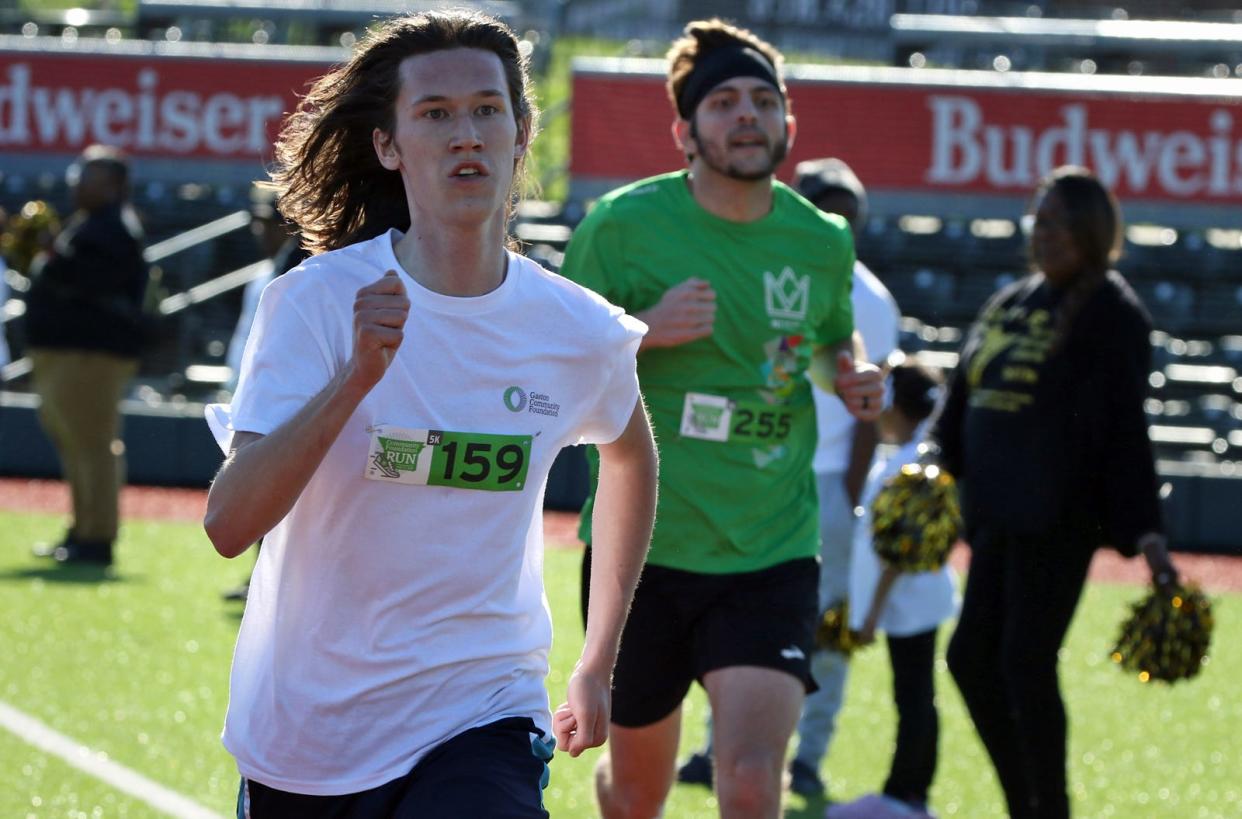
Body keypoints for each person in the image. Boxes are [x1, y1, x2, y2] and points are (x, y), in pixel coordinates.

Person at [201, 10, 658, 815]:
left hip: (483, 710)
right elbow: (229, 523)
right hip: (310, 732)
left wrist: (596, 658)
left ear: (521, 132)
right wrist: (353, 380)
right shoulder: (313, 303)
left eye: (488, 109)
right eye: (435, 114)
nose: (467, 135)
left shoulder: (579, 329)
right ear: (388, 145)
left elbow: (630, 457)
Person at [561, 19, 884, 819]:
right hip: (645, 554)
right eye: (724, 102)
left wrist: (853, 377)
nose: (747, 115)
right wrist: (644, 329)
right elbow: (556, 372)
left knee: (746, 778)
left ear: (789, 126)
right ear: (684, 131)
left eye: (763, 101)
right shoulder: (621, 226)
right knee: (638, 793)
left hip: (770, 547)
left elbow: (828, 344)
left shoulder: (823, 240)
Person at [930, 166, 1178, 819]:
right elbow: (961, 398)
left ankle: (1049, 806)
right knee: (969, 658)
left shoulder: (1111, 311)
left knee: (1022, 661)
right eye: (1038, 220)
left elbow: (1125, 427)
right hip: (996, 518)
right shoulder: (1011, 301)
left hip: (1057, 521)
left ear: (1094, 232)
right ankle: (1028, 802)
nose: (1044, 234)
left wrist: (1147, 533)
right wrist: (931, 462)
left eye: (1060, 222)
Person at [676, 157, 901, 800]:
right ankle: (718, 747)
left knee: (826, 624)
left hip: (827, 479)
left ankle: (810, 755)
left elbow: (869, 407)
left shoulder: (873, 300)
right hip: (765, 469)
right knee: (736, 612)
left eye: (848, 212)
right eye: (826, 207)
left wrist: (851, 495)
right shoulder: (772, 270)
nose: (838, 222)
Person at [827, 360, 957, 819]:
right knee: (914, 694)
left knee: (914, 695)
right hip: (904, 605)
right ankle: (906, 792)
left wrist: (869, 617)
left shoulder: (918, 460)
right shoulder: (905, 455)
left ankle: (906, 795)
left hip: (910, 605)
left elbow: (899, 550)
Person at [27, 146, 148, 567]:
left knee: (93, 445)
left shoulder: (114, 228)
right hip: (72, 352)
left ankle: (97, 538)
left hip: (92, 353)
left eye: (88, 176)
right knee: (76, 444)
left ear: (113, 185)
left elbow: (89, 281)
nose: (75, 181)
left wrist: (51, 256)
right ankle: (82, 530)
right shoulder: (92, 224)